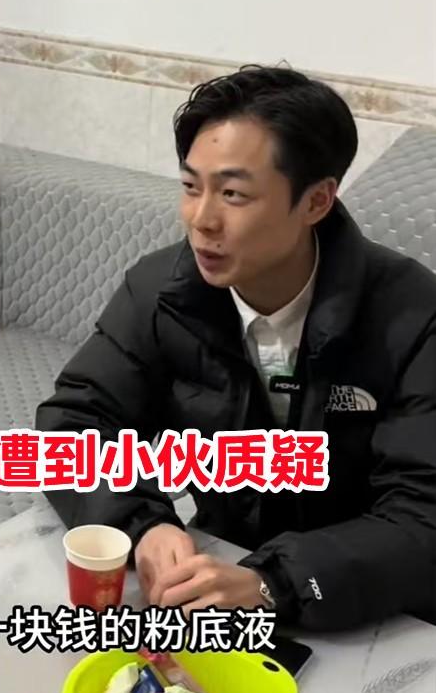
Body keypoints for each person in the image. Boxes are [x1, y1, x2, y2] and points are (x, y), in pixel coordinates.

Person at [37, 66, 436, 631]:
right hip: (217, 575)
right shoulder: (162, 294)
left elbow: (423, 515)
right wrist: (145, 526)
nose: (202, 220)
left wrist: (275, 583)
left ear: (316, 201)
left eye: (233, 194)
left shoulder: (413, 315)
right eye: (190, 187)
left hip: (374, 608)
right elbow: (74, 425)